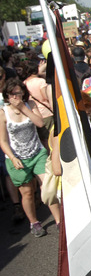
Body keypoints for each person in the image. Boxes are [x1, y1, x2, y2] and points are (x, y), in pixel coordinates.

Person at [0, 78, 61, 237]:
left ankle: (59, 220)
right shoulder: (3, 112)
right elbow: (3, 140)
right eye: (12, 94)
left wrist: (23, 108)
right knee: (27, 192)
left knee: (46, 186)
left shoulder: (30, 105)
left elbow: (40, 123)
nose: (15, 97)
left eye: (18, 93)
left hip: (37, 152)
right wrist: (12, 158)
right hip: (17, 157)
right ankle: (34, 222)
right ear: (6, 96)